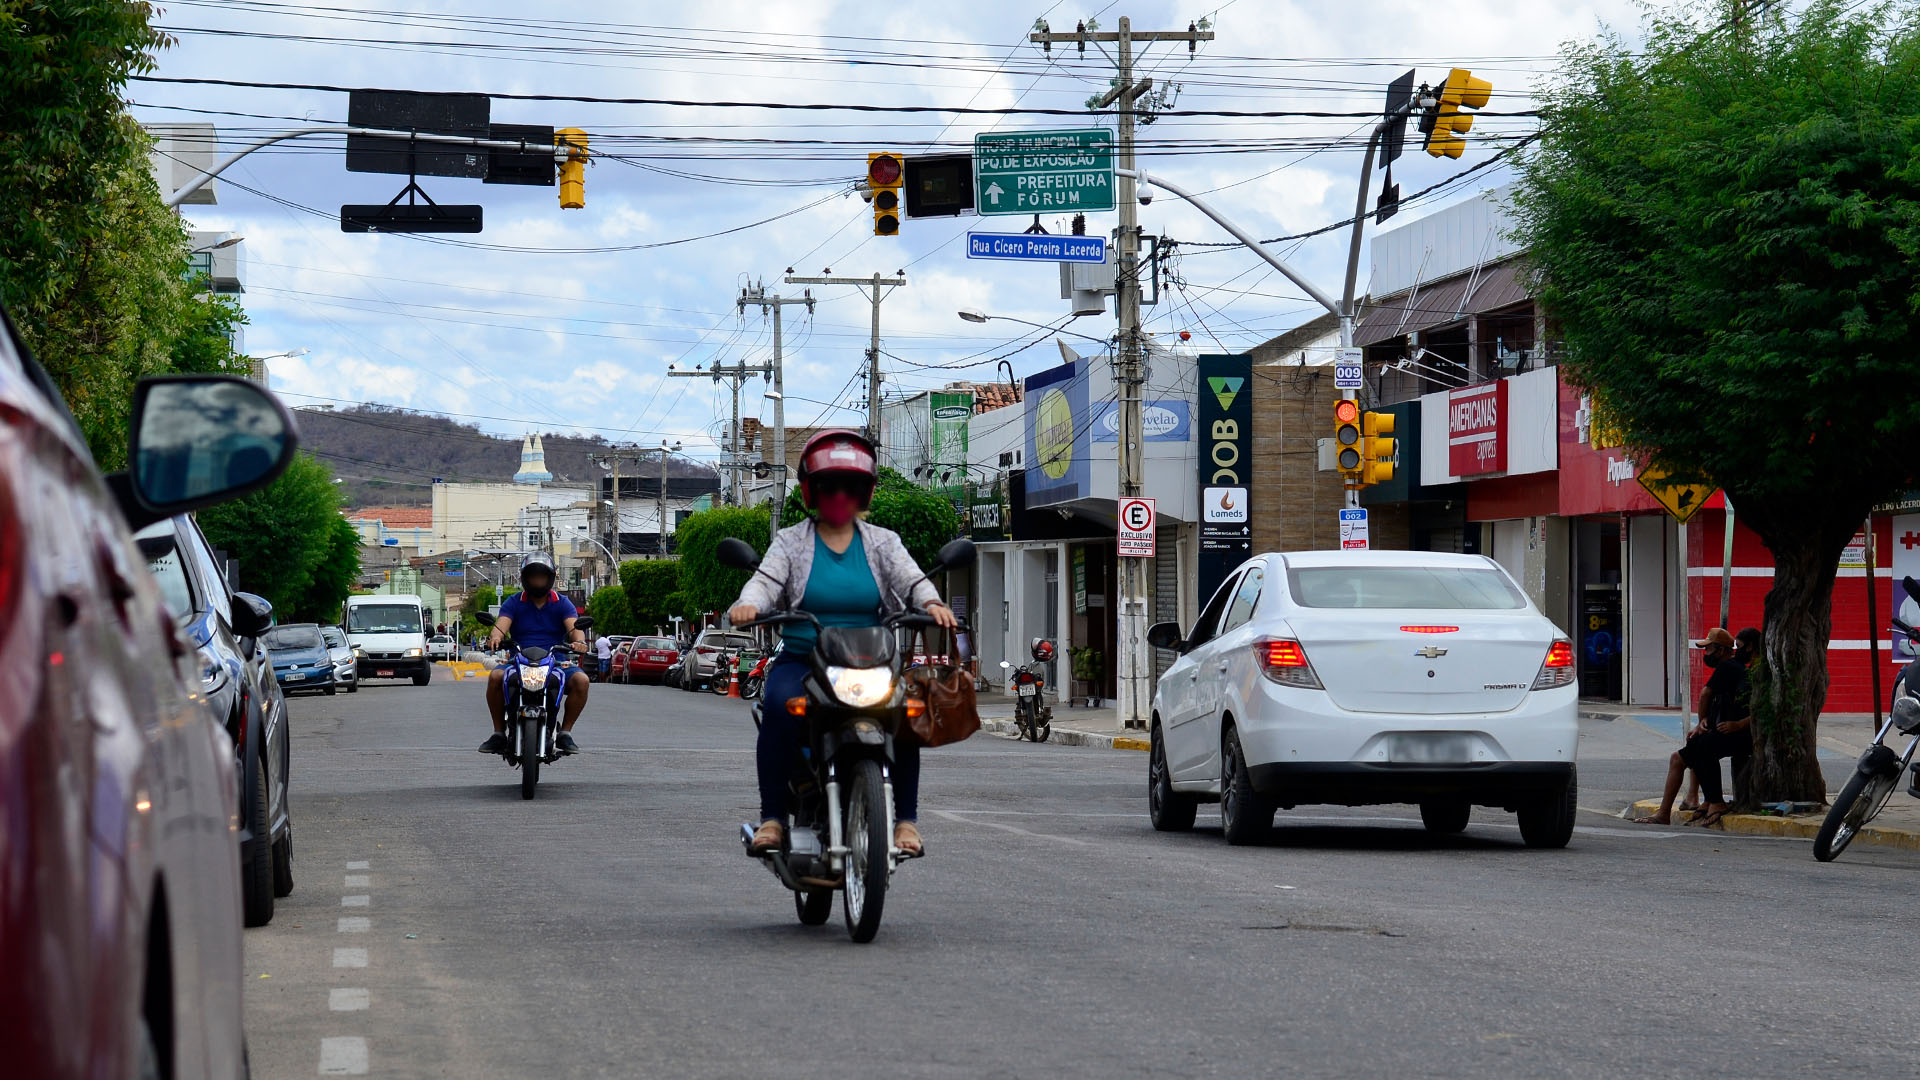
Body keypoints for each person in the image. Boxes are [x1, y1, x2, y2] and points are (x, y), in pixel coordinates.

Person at [727, 429, 957, 858]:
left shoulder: (883, 542)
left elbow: (913, 579)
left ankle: (906, 819)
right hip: (804, 660)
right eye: (830, 486)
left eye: (849, 487)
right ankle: (774, 817)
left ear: (864, 492)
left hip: (871, 661)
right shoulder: (790, 541)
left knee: (905, 714)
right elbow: (765, 582)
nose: (840, 496)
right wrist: (748, 605)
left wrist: (932, 603)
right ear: (812, 491)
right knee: (777, 708)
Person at [1636, 627, 1758, 826]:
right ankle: (1687, 803)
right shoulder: (1735, 670)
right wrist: (1704, 723)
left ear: (1720, 650)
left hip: (1740, 734)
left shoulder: (1728, 667)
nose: (1705, 653)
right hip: (1731, 731)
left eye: (1708, 649)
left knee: (1700, 746)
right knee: (1687, 751)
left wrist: (1702, 721)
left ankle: (1714, 801)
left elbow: (1705, 695)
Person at [478, 553, 591, 756]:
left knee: (582, 681)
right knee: (495, 677)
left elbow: (575, 629)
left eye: (541, 576)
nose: (537, 580)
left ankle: (565, 732)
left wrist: (579, 642)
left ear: (550, 578)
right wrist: (495, 637)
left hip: (555, 661)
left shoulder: (562, 602)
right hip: (518, 660)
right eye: (533, 576)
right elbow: (500, 627)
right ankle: (498, 733)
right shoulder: (513, 602)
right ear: (525, 578)